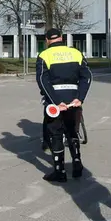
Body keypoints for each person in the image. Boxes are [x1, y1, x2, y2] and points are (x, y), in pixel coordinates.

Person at [36, 28, 92, 182]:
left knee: (56, 134)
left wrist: (55, 101)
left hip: (55, 102)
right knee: (72, 133)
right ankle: (77, 164)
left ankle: (60, 171)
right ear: (61, 38)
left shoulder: (44, 55)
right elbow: (86, 76)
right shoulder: (76, 53)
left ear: (47, 40)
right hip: (73, 100)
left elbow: (42, 81)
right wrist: (80, 98)